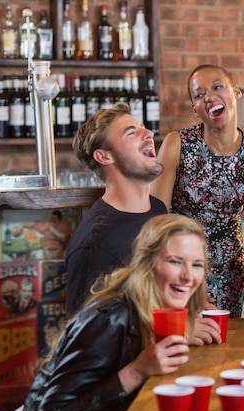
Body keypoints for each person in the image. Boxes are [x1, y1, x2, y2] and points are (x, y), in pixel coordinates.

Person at [24, 214, 211, 411]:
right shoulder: (109, 318)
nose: (188, 276)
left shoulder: (159, 309)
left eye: (197, 265)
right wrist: (138, 370)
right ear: (148, 264)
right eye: (175, 262)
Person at [66, 103, 221, 345]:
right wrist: (175, 330)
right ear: (104, 156)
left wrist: (184, 297)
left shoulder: (157, 209)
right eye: (131, 132)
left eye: (143, 128)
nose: (148, 133)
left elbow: (145, 293)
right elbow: (85, 339)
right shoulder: (95, 242)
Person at [151, 65, 244, 320]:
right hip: (179, 263)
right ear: (195, 108)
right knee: (183, 344)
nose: (210, 97)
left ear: (235, 92)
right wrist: (182, 279)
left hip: (229, 269)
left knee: (224, 344)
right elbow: (155, 222)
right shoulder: (176, 144)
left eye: (217, 87)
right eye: (199, 94)